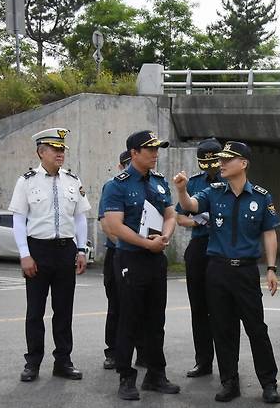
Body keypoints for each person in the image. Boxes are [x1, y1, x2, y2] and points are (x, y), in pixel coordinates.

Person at [174, 141, 280, 404]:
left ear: (243, 163)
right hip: (217, 270)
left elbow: (269, 232)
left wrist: (271, 268)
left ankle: (269, 383)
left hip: (245, 271)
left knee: (256, 328)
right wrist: (181, 189)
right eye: (220, 159)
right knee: (223, 329)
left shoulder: (260, 196)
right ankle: (229, 382)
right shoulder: (213, 192)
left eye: (227, 159)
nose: (221, 164)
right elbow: (190, 206)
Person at [102, 130, 180, 400]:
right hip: (131, 259)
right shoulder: (117, 185)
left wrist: (166, 236)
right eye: (149, 149)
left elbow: (171, 215)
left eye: (157, 149)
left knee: (156, 319)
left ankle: (156, 374)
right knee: (129, 318)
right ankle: (126, 376)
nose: (155, 154)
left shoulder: (159, 182)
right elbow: (114, 225)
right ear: (134, 153)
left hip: (156, 259)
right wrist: (147, 244)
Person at [8, 127, 91, 383]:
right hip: (38, 251)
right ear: (40, 152)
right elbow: (19, 220)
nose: (60, 154)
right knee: (35, 311)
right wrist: (24, 254)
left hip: (66, 250)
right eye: (55, 149)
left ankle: (63, 362)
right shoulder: (27, 181)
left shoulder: (72, 180)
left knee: (64, 311)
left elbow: (80, 217)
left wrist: (81, 249)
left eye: (62, 150)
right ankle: (32, 362)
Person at [175, 138, 223, 378]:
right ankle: (203, 361)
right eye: (205, 163)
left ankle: (227, 364)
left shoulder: (230, 180)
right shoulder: (193, 183)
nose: (210, 168)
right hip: (200, 244)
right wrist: (199, 220)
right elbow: (179, 217)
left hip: (223, 247)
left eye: (214, 162)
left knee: (224, 309)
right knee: (199, 308)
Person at [98, 150, 145, 370]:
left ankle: (143, 352)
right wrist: (126, 245)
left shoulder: (150, 183)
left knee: (143, 307)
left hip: (143, 254)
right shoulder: (113, 186)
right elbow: (107, 225)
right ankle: (113, 351)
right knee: (117, 304)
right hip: (119, 253)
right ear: (120, 166)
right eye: (125, 164)